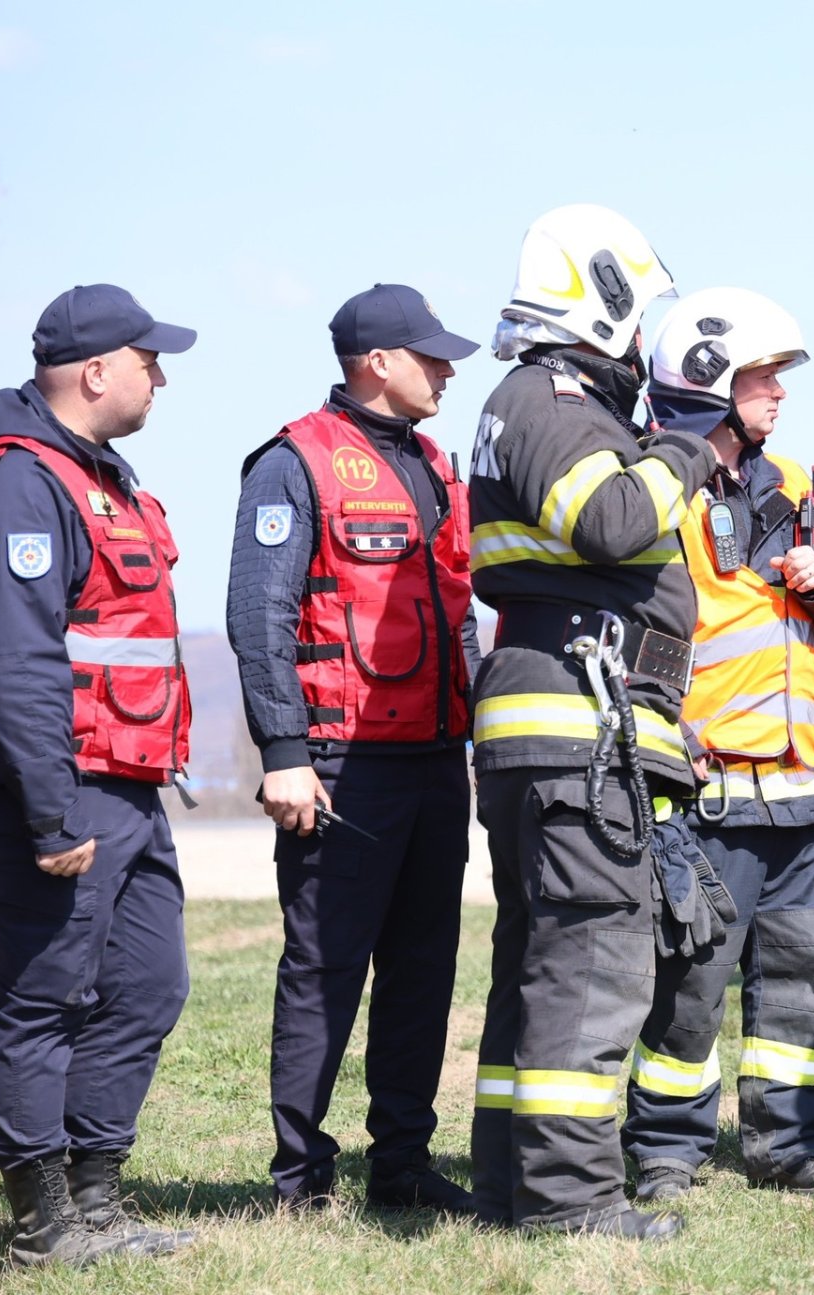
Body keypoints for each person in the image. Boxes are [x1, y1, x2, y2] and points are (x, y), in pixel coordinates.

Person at [465, 205, 718, 1240]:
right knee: (592, 963)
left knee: (539, 959)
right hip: (576, 729)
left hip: (564, 720)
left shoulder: (533, 402)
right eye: (639, 306)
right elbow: (610, 520)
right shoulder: (551, 399)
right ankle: (572, 1202)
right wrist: (685, 452)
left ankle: (508, 1185)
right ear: (600, 297)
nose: (645, 330)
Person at [0, 285, 197, 1267]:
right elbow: (14, 660)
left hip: (126, 780)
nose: (161, 377)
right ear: (95, 371)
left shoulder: (100, 478)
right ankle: (44, 1224)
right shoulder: (13, 483)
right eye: (148, 360)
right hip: (55, 786)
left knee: (147, 986)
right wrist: (48, 815)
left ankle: (96, 1201)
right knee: (47, 995)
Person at [227, 284, 481, 1213]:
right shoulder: (293, 461)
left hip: (435, 759)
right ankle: (299, 1179)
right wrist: (282, 750)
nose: (447, 371)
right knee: (324, 968)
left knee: (423, 966)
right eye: (431, 356)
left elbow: (459, 615)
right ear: (377, 362)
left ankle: (402, 1166)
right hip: (340, 763)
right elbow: (257, 612)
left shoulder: (437, 465)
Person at [622, 288, 814, 1202]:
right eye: (763, 375)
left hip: (802, 793)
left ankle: (791, 1148)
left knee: (806, 987)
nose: (779, 391)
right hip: (708, 788)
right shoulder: (657, 485)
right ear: (712, 383)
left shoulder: (799, 481)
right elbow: (637, 626)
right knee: (690, 989)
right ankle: (666, 1151)